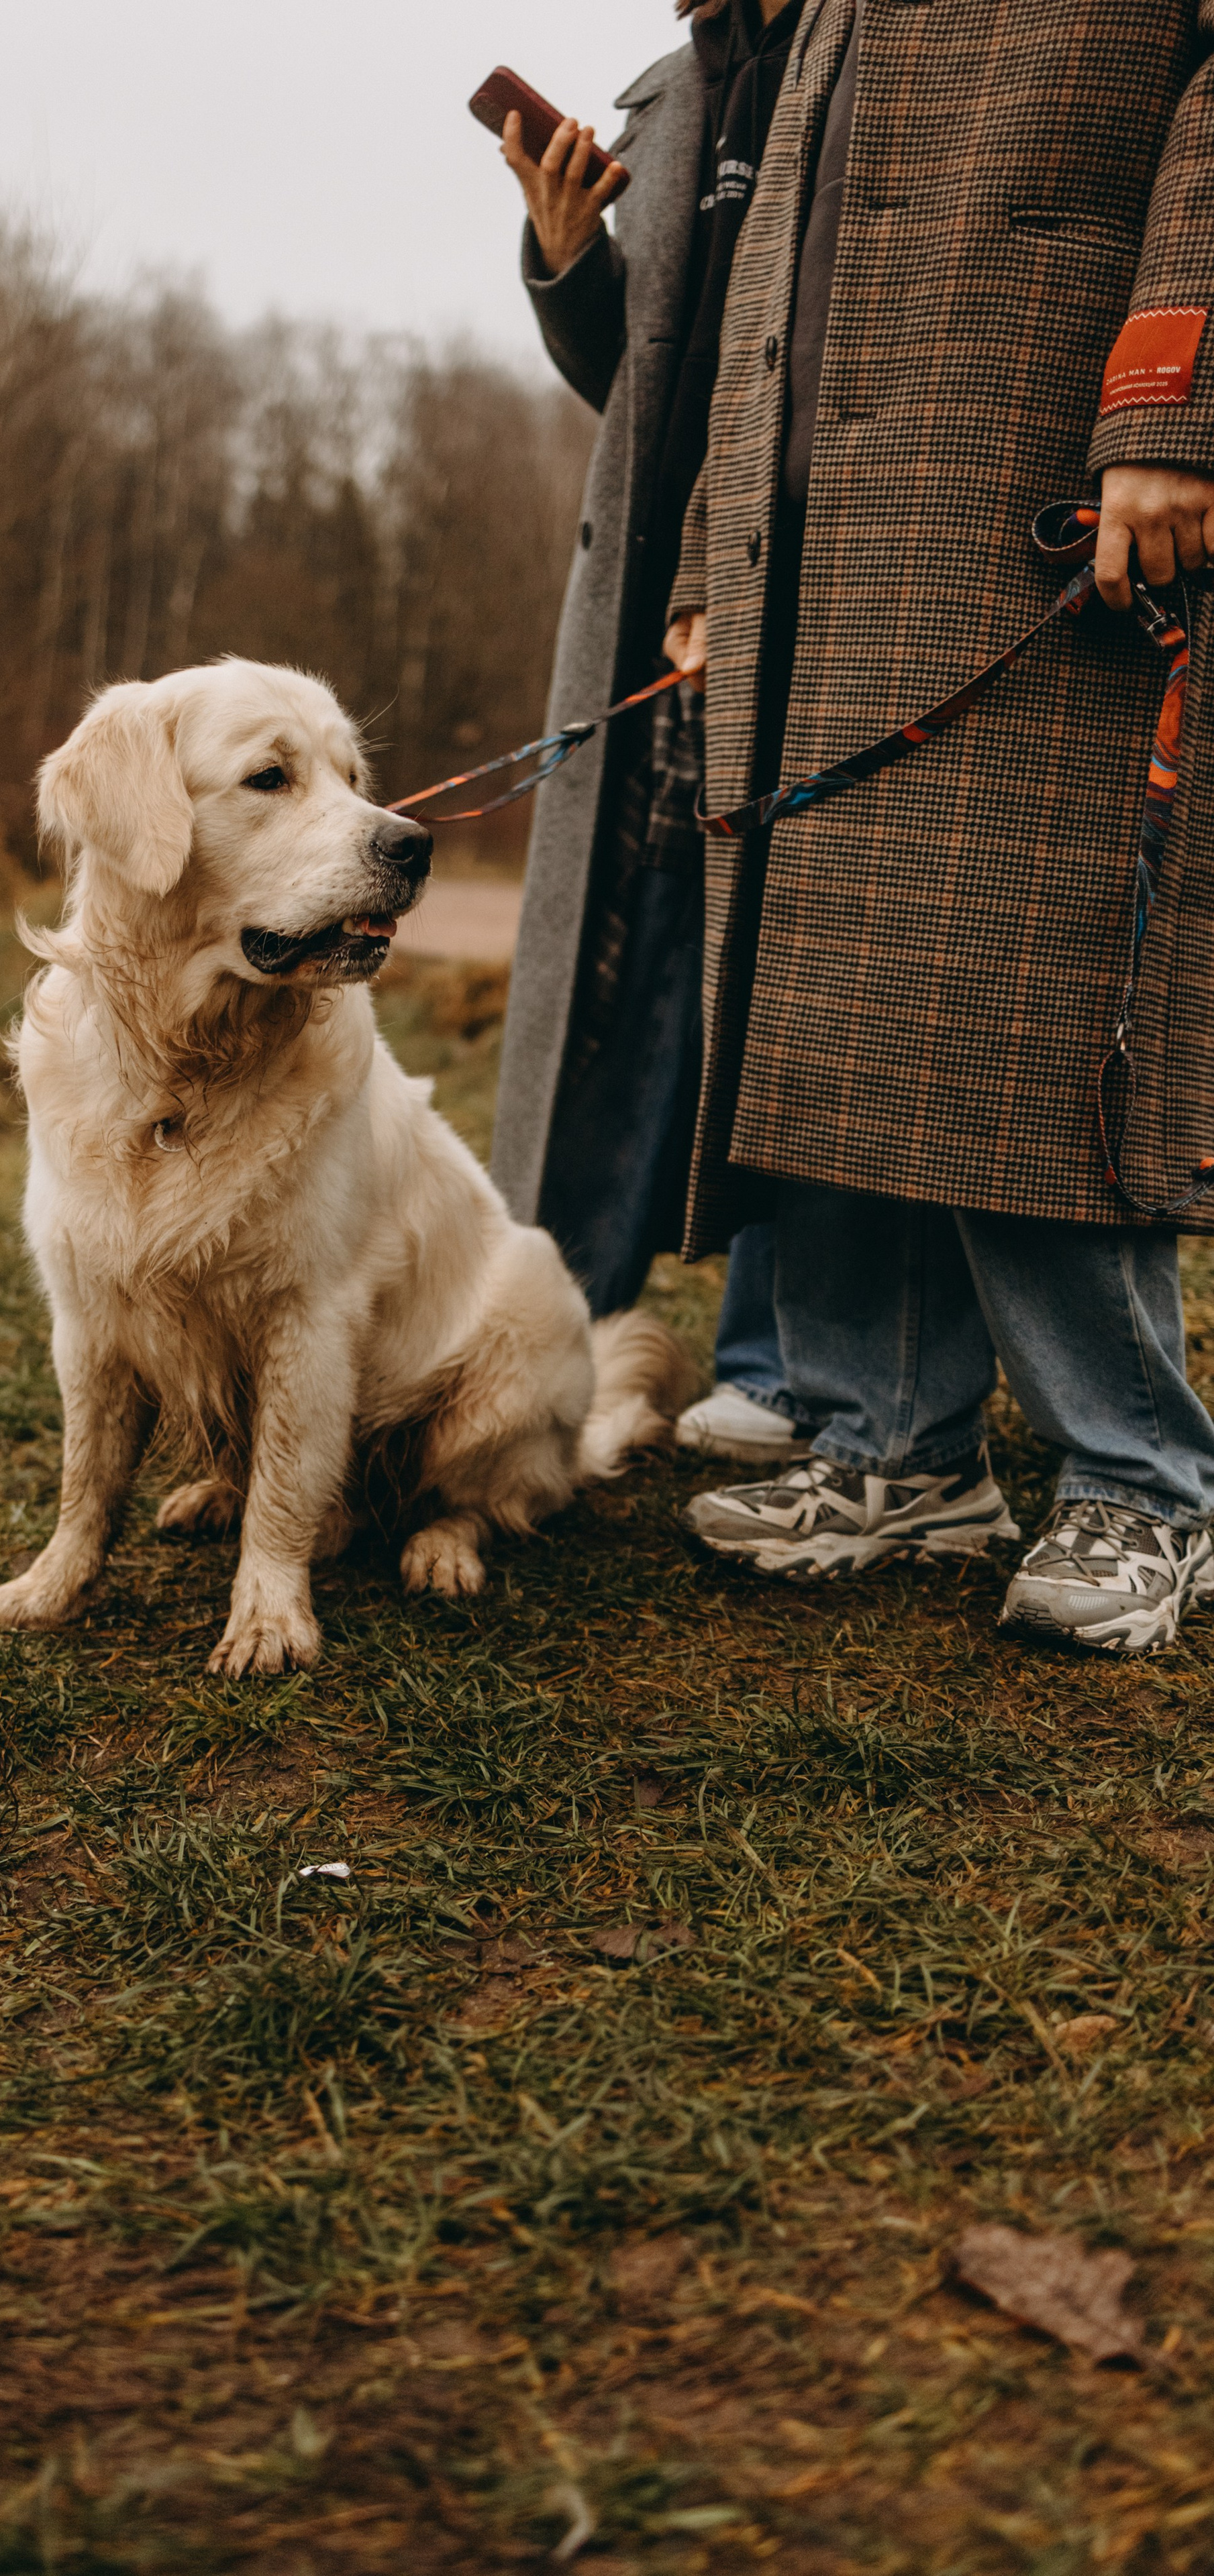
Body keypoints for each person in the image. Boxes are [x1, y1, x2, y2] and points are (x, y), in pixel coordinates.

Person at [668, 0, 1214, 1654]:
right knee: (833, 1001)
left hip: (1034, 482)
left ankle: (1145, 1488)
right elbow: (782, 256)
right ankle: (890, 1449)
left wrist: (1169, 409)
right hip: (825, 542)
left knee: (1016, 1003)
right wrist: (714, 552)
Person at [487, 0, 817, 1470]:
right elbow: (645, 387)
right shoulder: (679, 92)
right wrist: (568, 261)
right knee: (642, 962)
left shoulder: (860, 59)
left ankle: (783, 1358)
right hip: (661, 618)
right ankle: (561, 1324)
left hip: (823, 584)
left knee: (794, 971)